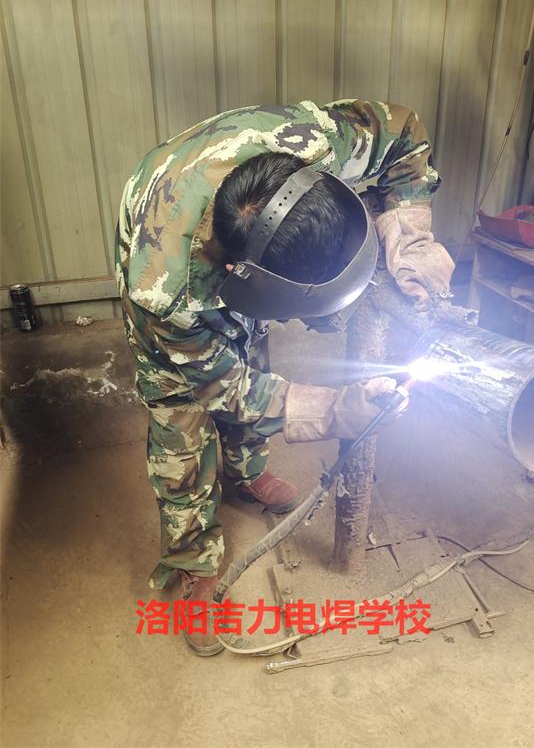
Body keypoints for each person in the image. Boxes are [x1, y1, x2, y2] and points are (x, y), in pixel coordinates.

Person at [115, 99, 454, 655]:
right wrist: (333, 410)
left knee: (253, 350)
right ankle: (194, 561)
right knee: (181, 418)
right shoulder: (163, 290)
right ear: (243, 275)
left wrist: (412, 239)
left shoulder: (316, 141)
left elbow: (405, 133)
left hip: (229, 232)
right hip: (161, 232)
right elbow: (224, 385)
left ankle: (246, 473)